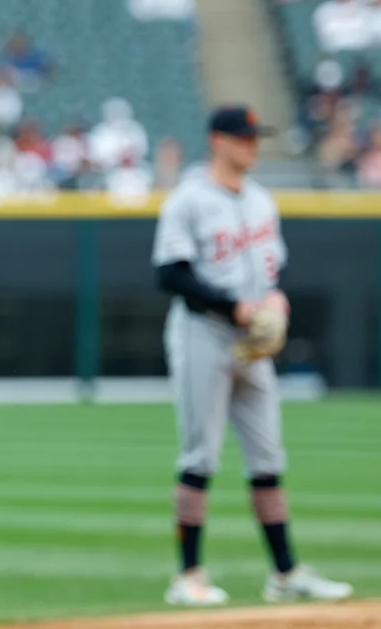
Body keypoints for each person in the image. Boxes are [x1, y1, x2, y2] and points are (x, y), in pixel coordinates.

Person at [151, 106, 353, 606]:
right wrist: (234, 307)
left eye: (254, 138)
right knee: (200, 456)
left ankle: (284, 573)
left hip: (253, 343)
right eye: (243, 138)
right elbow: (170, 274)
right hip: (203, 334)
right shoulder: (189, 200)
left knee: (268, 458)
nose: (252, 146)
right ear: (217, 141)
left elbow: (273, 268)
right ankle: (187, 575)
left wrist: (275, 298)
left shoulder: (261, 200)